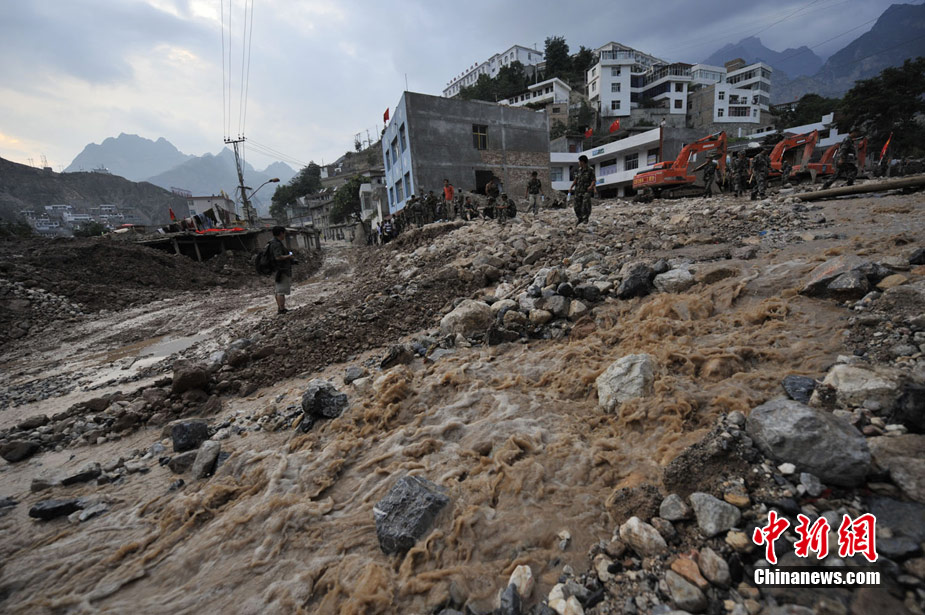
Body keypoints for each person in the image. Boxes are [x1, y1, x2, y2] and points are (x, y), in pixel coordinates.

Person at [269, 226, 295, 315]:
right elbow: (278, 257)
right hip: (281, 269)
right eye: (284, 233)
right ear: (281, 233)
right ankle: (282, 309)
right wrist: (289, 256)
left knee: (278, 290)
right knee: (281, 290)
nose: (284, 235)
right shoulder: (276, 244)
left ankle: (280, 308)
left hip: (278, 269)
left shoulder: (274, 242)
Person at [569, 154, 596, 224]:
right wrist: (571, 187)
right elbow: (576, 179)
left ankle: (585, 219)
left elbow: (593, 180)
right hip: (578, 190)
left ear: (582, 162)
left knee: (585, 205)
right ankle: (580, 218)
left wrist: (591, 186)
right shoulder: (579, 170)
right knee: (576, 206)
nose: (578, 163)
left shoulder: (590, 170)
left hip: (586, 191)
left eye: (579, 161)